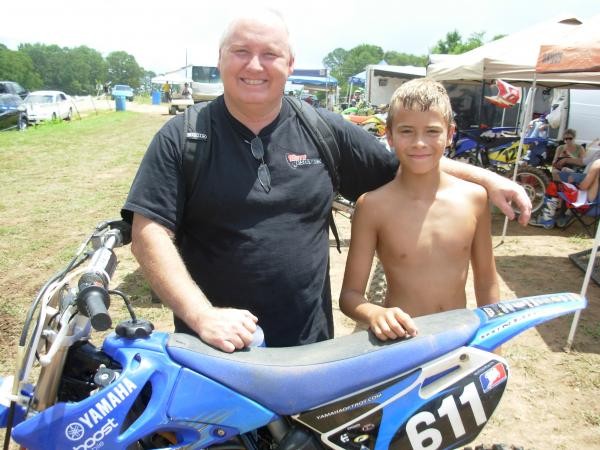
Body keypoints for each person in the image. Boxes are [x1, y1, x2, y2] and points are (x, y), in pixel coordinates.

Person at [122, 8, 530, 353]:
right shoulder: (184, 137)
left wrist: (487, 179)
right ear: (220, 58)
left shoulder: (323, 130)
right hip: (213, 350)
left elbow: (410, 162)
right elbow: (148, 232)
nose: (255, 65)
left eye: (270, 54)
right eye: (241, 52)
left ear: (290, 64)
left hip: (310, 351)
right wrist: (201, 315)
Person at [339, 79, 499, 340]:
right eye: (407, 131)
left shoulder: (475, 199)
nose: (419, 143)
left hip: (457, 339)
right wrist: (375, 313)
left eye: (432, 131)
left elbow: (487, 282)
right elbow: (350, 296)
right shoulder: (372, 206)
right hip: (402, 344)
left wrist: (493, 344)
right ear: (389, 135)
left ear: (450, 134)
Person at [530, 138, 600, 229]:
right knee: (563, 181)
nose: (598, 143)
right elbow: (583, 163)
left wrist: (574, 182)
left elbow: (583, 186)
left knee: (555, 186)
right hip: (595, 203)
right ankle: (559, 214)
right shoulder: (597, 155)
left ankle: (547, 219)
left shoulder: (597, 164)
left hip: (588, 203)